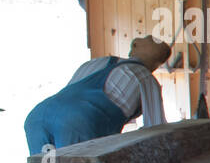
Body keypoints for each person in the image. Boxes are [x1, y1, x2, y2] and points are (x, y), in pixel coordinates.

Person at [24, 36, 171, 153]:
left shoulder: (94, 63)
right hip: (76, 122)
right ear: (159, 63)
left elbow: (68, 100)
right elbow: (156, 130)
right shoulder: (145, 78)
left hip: (37, 116)